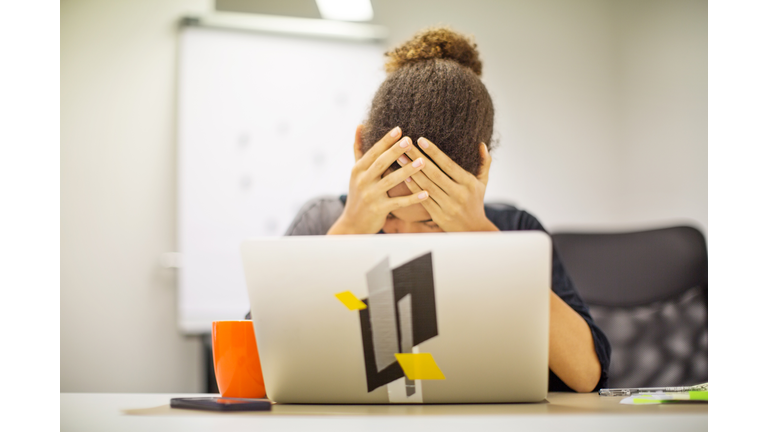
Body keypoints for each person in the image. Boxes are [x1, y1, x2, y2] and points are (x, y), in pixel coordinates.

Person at [275, 27, 610, 393]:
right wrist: (351, 229)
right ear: (360, 149)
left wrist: (484, 239)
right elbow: (259, 372)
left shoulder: (513, 229)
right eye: (389, 213)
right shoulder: (323, 223)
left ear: (479, 175)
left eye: (433, 220)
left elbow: (585, 374)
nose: (408, 236)